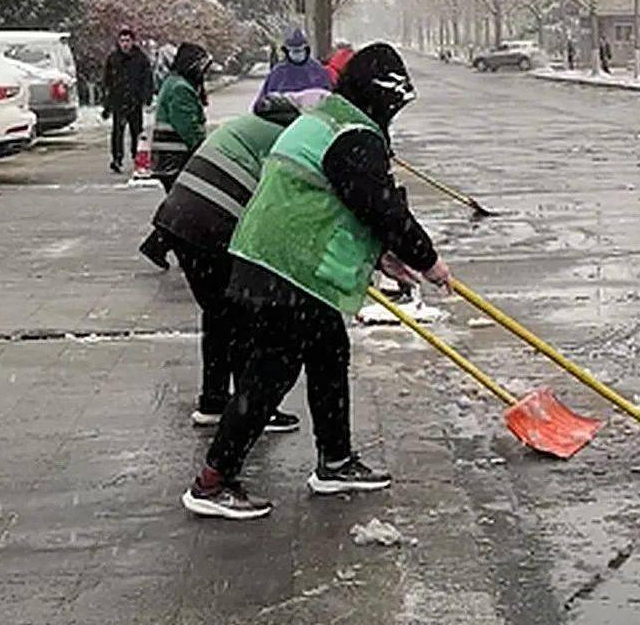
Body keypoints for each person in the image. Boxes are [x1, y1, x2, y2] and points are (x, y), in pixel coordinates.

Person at [181, 43, 453, 520]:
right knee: (271, 372)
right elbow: (380, 207)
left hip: (272, 259)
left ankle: (335, 461)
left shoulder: (329, 119)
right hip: (287, 266)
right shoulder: (352, 134)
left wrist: (382, 257)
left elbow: (338, 200)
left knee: (329, 351)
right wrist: (427, 260)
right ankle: (212, 481)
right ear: (380, 96)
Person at [151, 91, 329, 431]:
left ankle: (214, 402)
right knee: (242, 316)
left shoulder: (250, 126)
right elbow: (286, 203)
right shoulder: (288, 139)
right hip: (211, 222)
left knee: (219, 315)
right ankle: (252, 409)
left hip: (178, 218)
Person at [138, 43, 212, 271]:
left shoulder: (174, 83)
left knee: (182, 207)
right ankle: (158, 246)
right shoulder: (181, 88)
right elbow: (187, 126)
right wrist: (203, 150)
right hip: (175, 158)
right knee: (186, 208)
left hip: (168, 158)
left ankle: (166, 247)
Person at [101, 28, 153, 174]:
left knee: (136, 131)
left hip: (134, 101)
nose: (125, 44)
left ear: (132, 42)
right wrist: (107, 105)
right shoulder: (113, 59)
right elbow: (108, 82)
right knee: (117, 132)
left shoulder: (140, 59)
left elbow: (147, 79)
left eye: (127, 41)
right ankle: (117, 158)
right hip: (118, 101)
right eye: (122, 41)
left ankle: (136, 156)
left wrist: (146, 97)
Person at [253, 27, 330, 108]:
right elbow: (264, 101)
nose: (297, 53)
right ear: (287, 50)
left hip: (313, 113)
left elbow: (328, 97)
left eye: (300, 50)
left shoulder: (316, 69)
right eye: (294, 50)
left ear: (305, 49)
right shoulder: (278, 72)